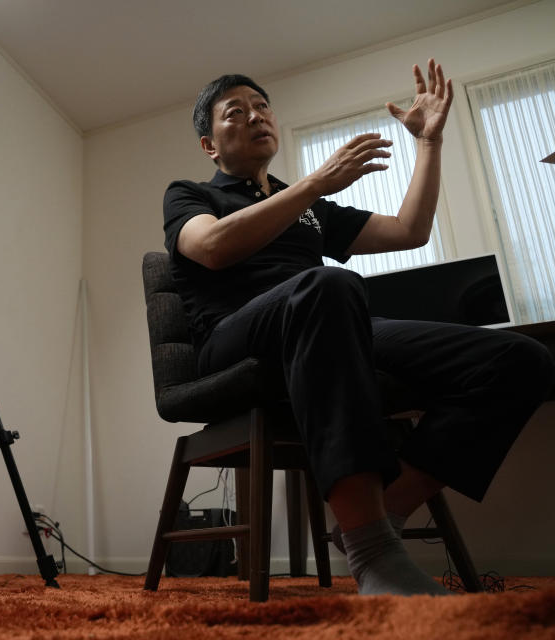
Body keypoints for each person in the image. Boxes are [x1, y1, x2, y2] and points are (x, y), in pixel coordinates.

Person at [162, 59, 555, 596]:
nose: (256, 116)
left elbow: (409, 231)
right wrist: (314, 183)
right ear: (210, 144)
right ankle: (373, 553)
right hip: (234, 343)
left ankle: (385, 516)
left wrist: (429, 145)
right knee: (329, 285)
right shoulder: (190, 194)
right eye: (237, 111)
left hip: (323, 324)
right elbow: (210, 247)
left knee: (521, 360)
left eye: (262, 107)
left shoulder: (306, 209)